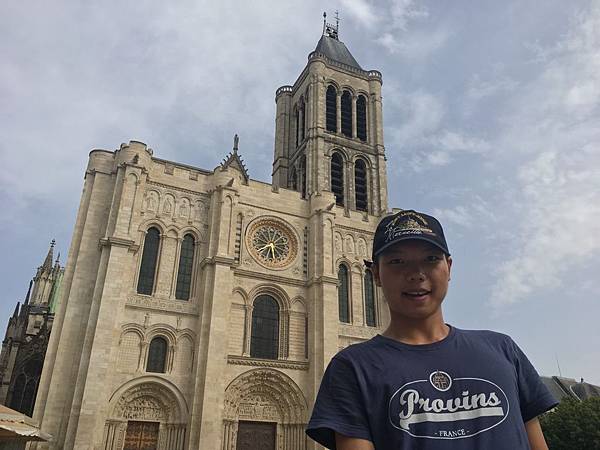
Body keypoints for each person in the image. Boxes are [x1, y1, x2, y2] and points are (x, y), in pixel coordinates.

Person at [306, 210, 557, 449]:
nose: (416, 274)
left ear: (449, 267)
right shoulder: (352, 367)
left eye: (430, 259)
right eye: (397, 261)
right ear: (376, 275)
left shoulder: (503, 349)